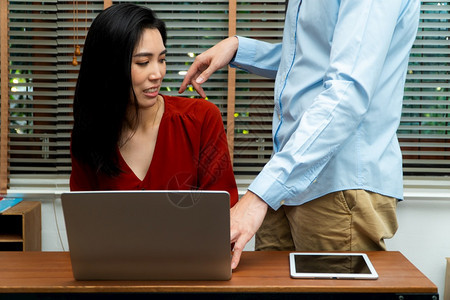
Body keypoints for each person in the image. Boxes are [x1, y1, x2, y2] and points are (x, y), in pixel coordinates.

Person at [179, 0, 420, 269]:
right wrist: (239, 48)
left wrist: (259, 196)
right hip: (288, 179)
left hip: (336, 182)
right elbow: (312, 58)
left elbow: (347, 93)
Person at [70, 3, 238, 208]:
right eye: (143, 62)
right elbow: (85, 222)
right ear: (109, 67)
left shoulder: (202, 119)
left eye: (162, 59)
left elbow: (222, 219)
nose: (157, 74)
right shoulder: (90, 134)